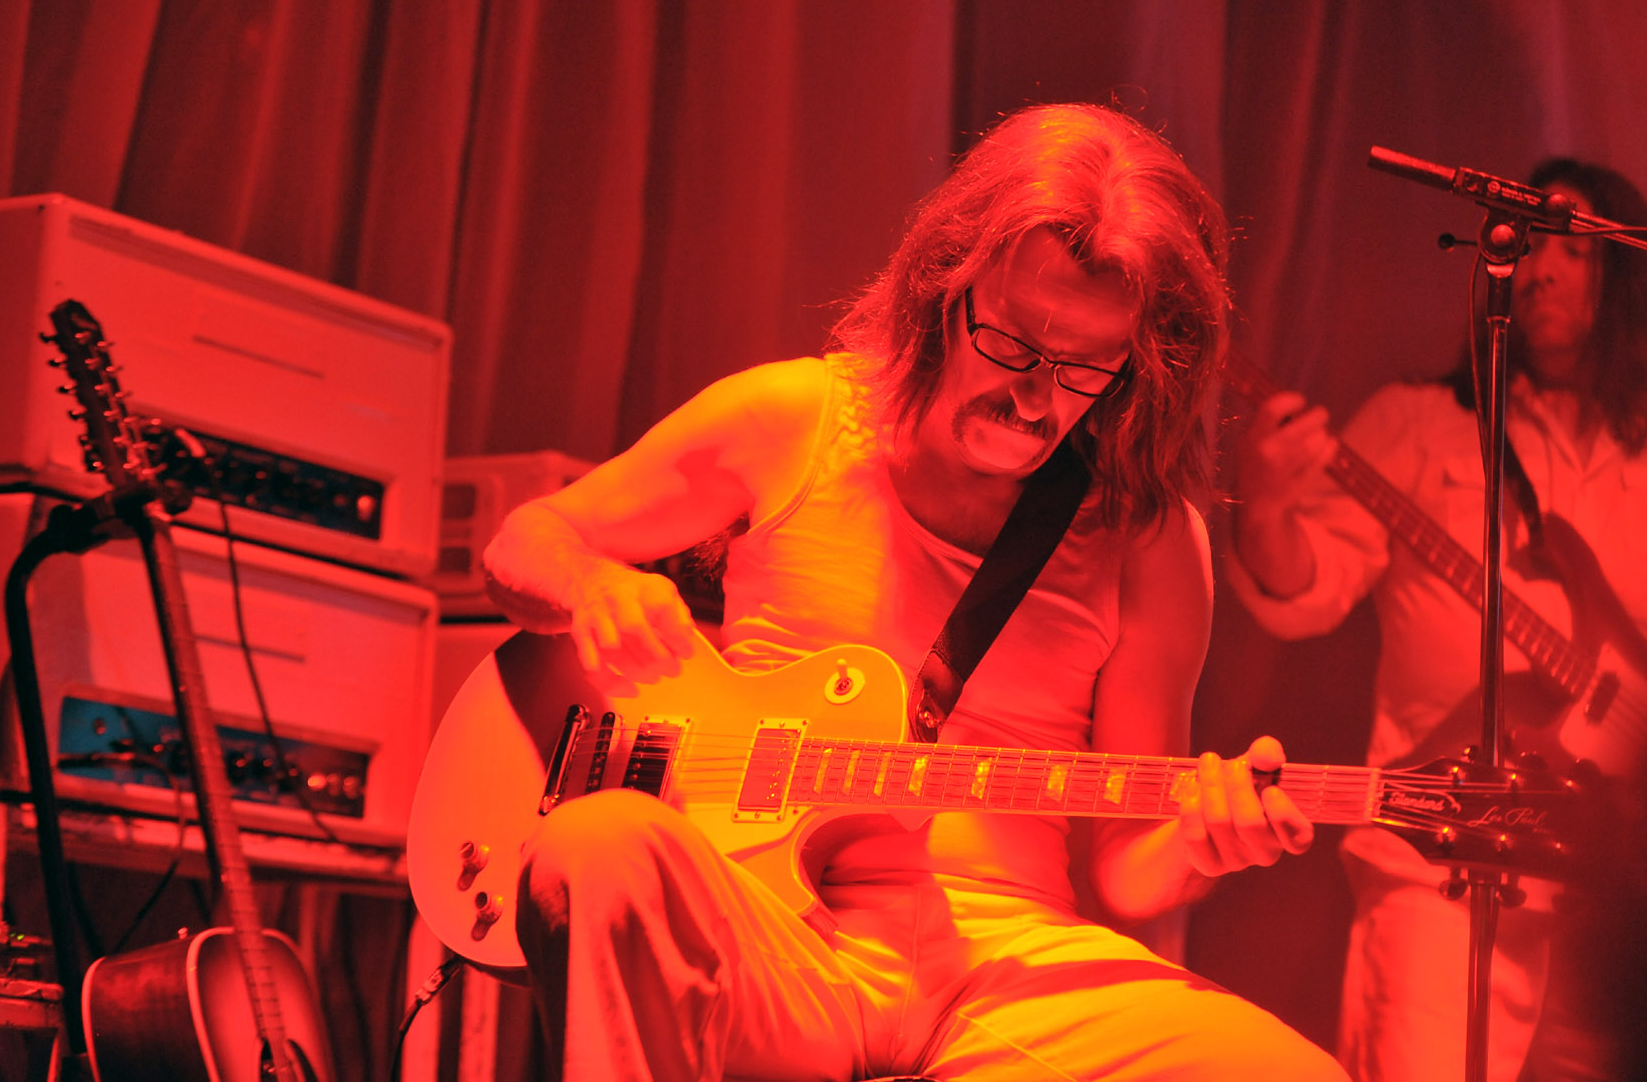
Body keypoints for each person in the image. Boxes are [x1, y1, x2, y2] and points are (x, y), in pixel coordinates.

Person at [480, 103, 1348, 1081]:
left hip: (1001, 966)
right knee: (595, 842)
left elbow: (1126, 860)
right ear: (945, 287)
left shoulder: (1145, 536)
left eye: (1082, 369)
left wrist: (1199, 843)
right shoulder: (793, 420)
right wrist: (589, 582)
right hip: (768, 936)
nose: (1034, 398)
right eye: (1011, 344)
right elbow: (525, 541)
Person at [1226, 158, 1647, 1080]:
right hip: (1438, 863)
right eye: (1525, 245)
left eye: (1567, 245)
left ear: (1625, 265)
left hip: (1633, 894)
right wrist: (1262, 508)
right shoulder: (1417, 422)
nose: (1538, 268)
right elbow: (1308, 590)